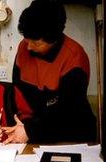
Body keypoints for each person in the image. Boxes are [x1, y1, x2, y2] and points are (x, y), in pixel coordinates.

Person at [6, 0, 97, 143]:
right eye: (26, 39)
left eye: (36, 43)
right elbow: (18, 92)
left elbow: (68, 111)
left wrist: (30, 131)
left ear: (54, 39)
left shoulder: (74, 57)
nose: (28, 47)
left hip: (70, 131)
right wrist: (24, 125)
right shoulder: (24, 47)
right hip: (33, 130)